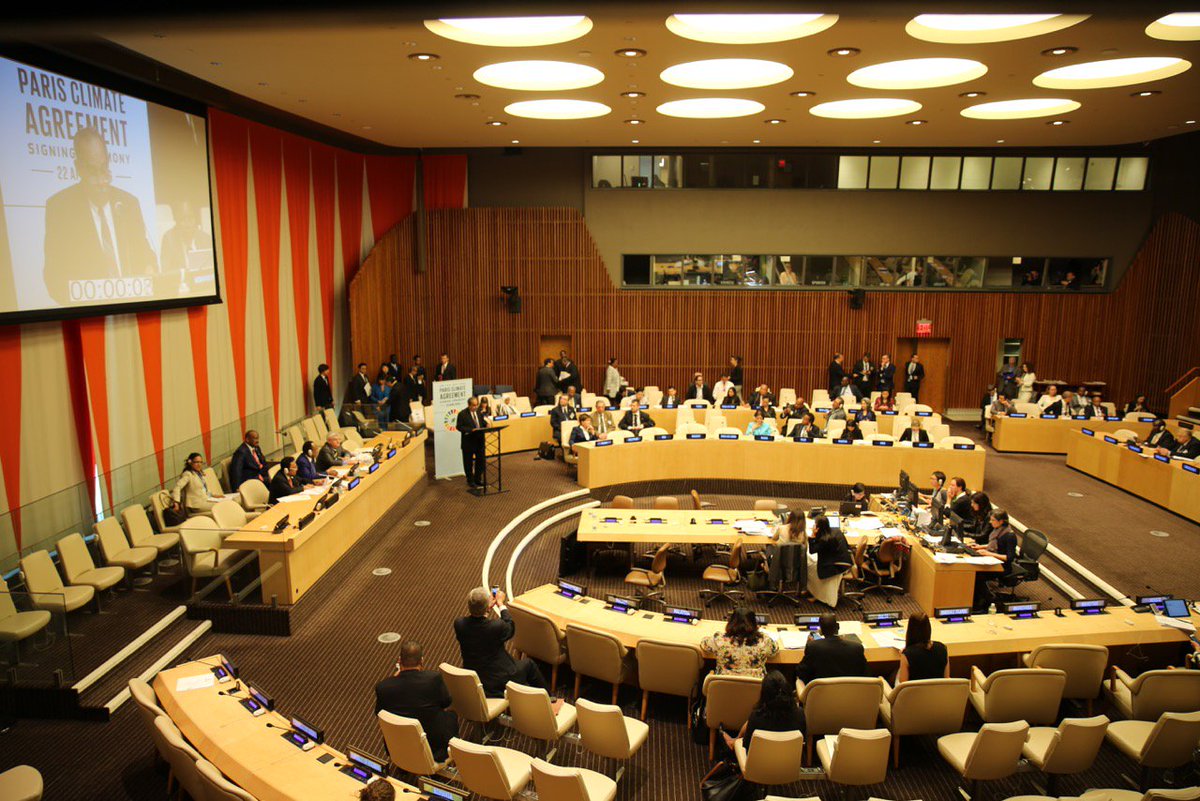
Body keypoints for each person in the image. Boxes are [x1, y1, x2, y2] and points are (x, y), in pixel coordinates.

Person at [43, 127, 158, 305]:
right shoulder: (60, 209)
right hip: (89, 314)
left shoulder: (128, 204)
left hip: (133, 307)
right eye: (92, 171)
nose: (101, 179)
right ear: (79, 168)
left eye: (104, 168)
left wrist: (149, 268)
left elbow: (145, 254)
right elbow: (54, 276)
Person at [453, 587, 546, 697]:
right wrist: (501, 604)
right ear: (487, 607)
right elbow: (510, 627)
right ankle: (549, 699)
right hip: (499, 678)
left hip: (474, 675)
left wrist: (487, 607)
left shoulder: (459, 624)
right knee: (529, 664)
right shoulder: (495, 627)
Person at [375, 640, 458, 763]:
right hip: (432, 748)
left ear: (399, 661)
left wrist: (393, 679)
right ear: (422, 661)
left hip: (399, 747)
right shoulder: (433, 679)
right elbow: (446, 702)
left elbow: (379, 714)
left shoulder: (383, 687)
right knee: (451, 716)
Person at [721, 670, 806, 753]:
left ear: (764, 694)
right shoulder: (800, 715)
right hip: (789, 761)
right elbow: (802, 743)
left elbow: (746, 746)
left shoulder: (756, 717)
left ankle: (733, 741)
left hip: (758, 762)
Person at [700, 607, 779, 678]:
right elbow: (774, 651)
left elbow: (704, 645)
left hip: (724, 686)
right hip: (755, 687)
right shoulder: (764, 641)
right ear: (754, 623)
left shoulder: (719, 639)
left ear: (731, 622)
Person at [795, 613, 867, 684]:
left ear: (821, 631)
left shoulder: (813, 647)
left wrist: (808, 645)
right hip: (850, 690)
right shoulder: (857, 648)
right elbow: (865, 674)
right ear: (838, 627)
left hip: (821, 690)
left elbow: (801, 672)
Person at [970, 508, 1018, 612]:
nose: (990, 522)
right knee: (974, 572)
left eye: (993, 520)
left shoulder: (1010, 536)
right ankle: (978, 600)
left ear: (1001, 521)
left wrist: (989, 553)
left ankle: (989, 600)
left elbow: (1009, 557)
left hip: (1002, 567)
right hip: (994, 561)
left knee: (977, 575)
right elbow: (995, 545)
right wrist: (981, 547)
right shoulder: (998, 530)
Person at [897, 612, 949, 682]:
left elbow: (903, 684)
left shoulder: (907, 654)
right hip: (938, 689)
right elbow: (946, 679)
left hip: (914, 689)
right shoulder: (943, 648)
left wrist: (904, 657)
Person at [456, 397, 488, 488]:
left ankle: (478, 479)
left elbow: (481, 422)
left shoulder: (479, 412)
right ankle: (470, 480)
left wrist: (487, 424)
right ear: (469, 405)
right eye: (473, 405)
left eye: (476, 405)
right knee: (468, 463)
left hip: (479, 441)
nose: (476, 407)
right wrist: (470, 430)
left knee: (480, 461)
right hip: (468, 442)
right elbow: (459, 427)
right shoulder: (462, 414)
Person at [810, 515, 852, 580]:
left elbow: (812, 550)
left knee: (810, 566)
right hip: (846, 561)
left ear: (818, 527)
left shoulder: (824, 540)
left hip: (837, 567)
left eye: (815, 524)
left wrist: (813, 535)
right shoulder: (837, 530)